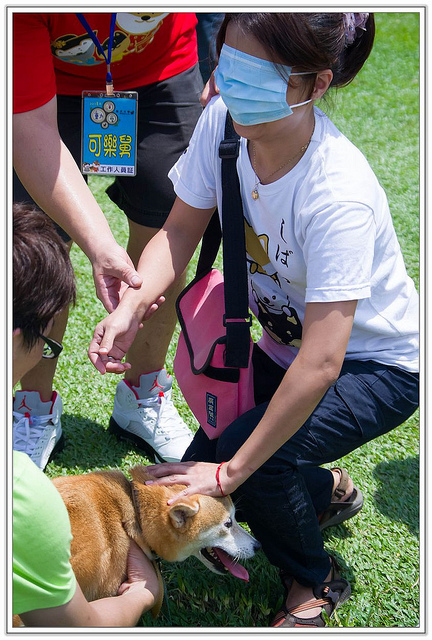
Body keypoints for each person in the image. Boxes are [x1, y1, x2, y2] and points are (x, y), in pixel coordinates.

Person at [88, 13, 419, 628]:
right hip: (285, 349)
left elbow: (323, 362)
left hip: (375, 366)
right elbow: (179, 231)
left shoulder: (337, 193)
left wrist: (232, 470)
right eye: (229, 61)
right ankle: (323, 493)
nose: (232, 82)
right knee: (194, 471)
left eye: (258, 72)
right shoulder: (224, 123)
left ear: (317, 83)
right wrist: (132, 305)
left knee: (245, 464)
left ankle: (313, 580)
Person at [13, 12, 203, 470]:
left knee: (166, 218)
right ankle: (33, 407)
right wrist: (100, 246)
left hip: (163, 70)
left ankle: (144, 395)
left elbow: (178, 231)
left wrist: (231, 61)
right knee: (35, 244)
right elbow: (29, 125)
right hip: (48, 82)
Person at [13, 202, 160, 627]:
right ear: (18, 337)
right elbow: (78, 629)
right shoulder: (22, 496)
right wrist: (142, 593)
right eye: (48, 343)